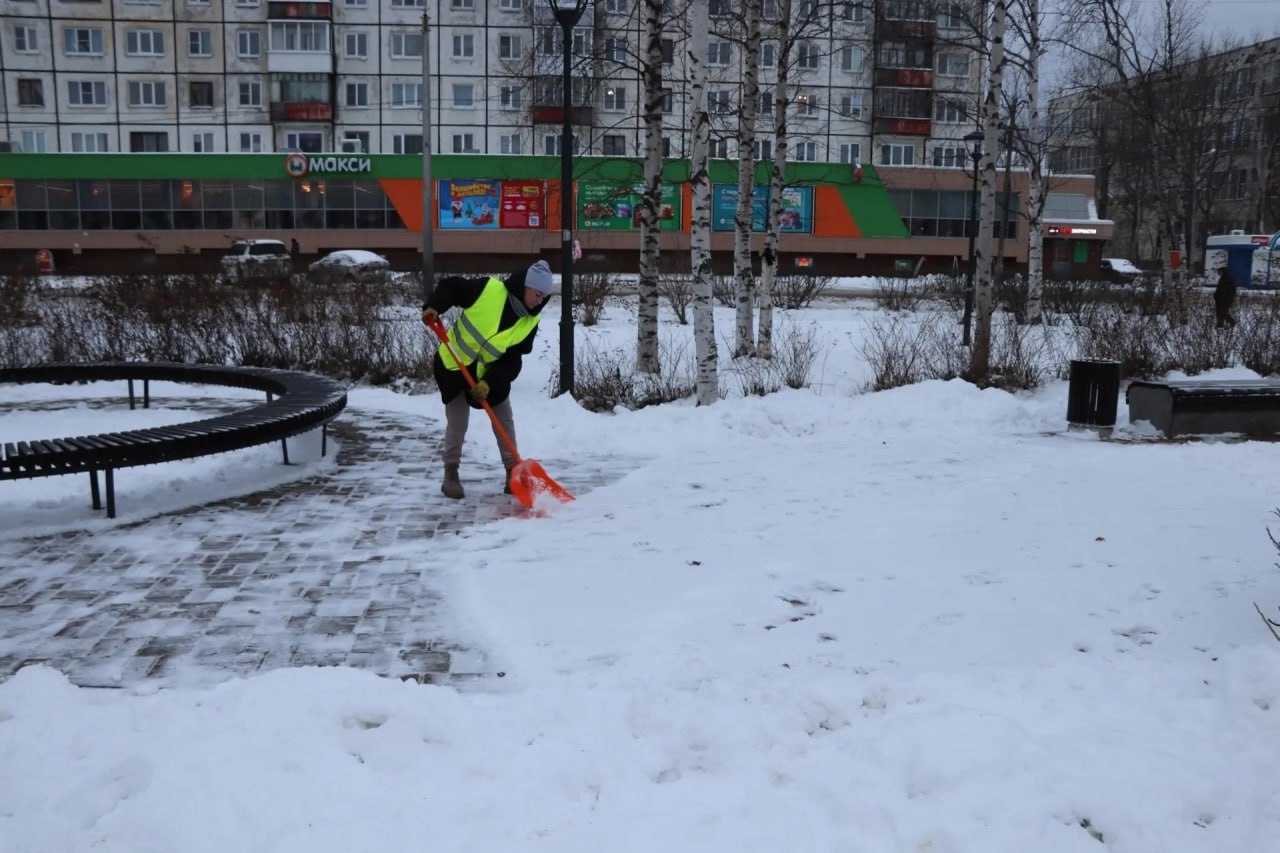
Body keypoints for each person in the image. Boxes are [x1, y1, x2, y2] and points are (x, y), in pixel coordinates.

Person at [421, 260, 555, 499]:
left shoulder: (529, 322)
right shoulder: (489, 290)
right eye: (537, 294)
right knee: (457, 420)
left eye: (544, 296)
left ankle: (512, 471)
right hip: (454, 364)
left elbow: (513, 361)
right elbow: (452, 287)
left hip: (486, 375)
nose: (540, 301)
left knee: (504, 416)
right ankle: (450, 473)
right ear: (525, 286)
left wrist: (489, 383)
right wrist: (434, 306)